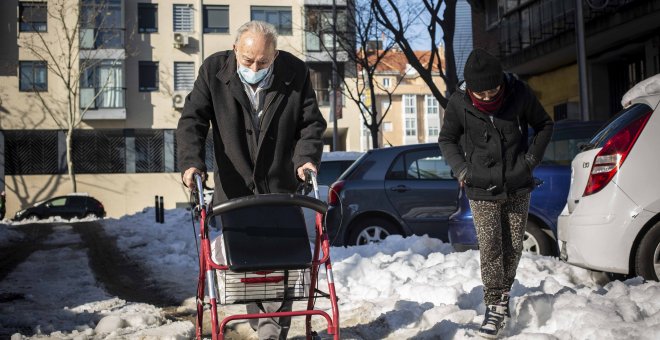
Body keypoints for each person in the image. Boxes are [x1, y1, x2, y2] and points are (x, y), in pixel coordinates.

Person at [176, 21, 327, 340]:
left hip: (280, 187)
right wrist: (192, 163)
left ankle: (272, 333)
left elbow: (310, 124)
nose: (255, 67)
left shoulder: (294, 72)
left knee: (283, 263)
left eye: (263, 62)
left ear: (275, 55)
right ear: (235, 50)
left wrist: (306, 158)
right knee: (248, 263)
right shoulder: (213, 70)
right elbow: (192, 120)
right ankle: (265, 327)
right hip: (235, 189)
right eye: (248, 61)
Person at [438, 48, 554, 338]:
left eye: (493, 91)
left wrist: (530, 161)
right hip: (480, 186)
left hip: (517, 182)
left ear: (501, 82)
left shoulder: (519, 93)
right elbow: (447, 139)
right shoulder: (458, 103)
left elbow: (544, 124)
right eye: (482, 94)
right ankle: (495, 305)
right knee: (491, 246)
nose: (488, 98)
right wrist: (462, 171)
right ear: (471, 88)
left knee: (513, 245)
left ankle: (502, 296)